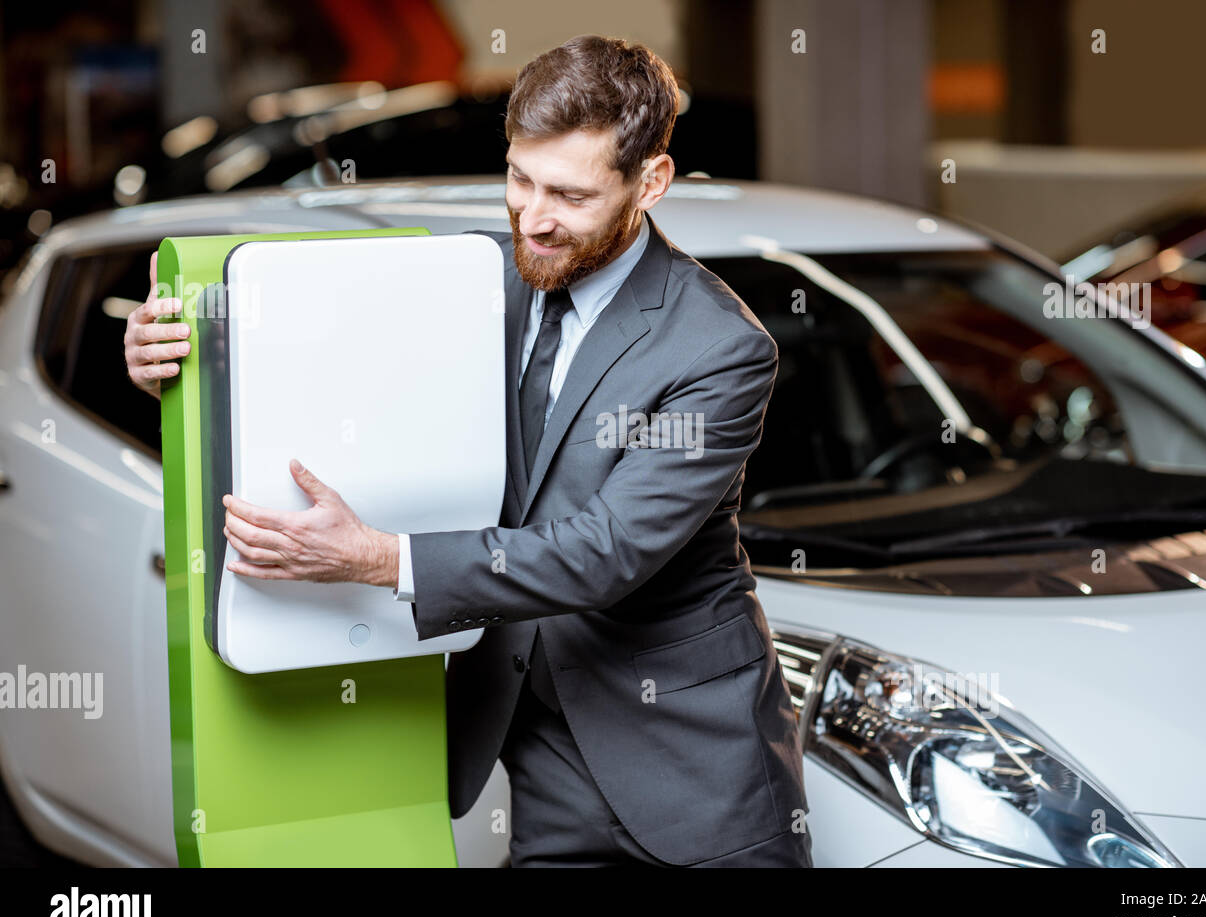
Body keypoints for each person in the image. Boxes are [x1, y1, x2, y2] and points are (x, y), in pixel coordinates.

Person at [125, 34, 813, 868]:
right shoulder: (464, 280)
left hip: (697, 768)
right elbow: (320, 373)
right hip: (539, 753)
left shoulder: (716, 347)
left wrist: (380, 557)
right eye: (520, 179)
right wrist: (179, 359)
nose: (533, 216)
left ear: (652, 183)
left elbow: (608, 550)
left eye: (569, 193)